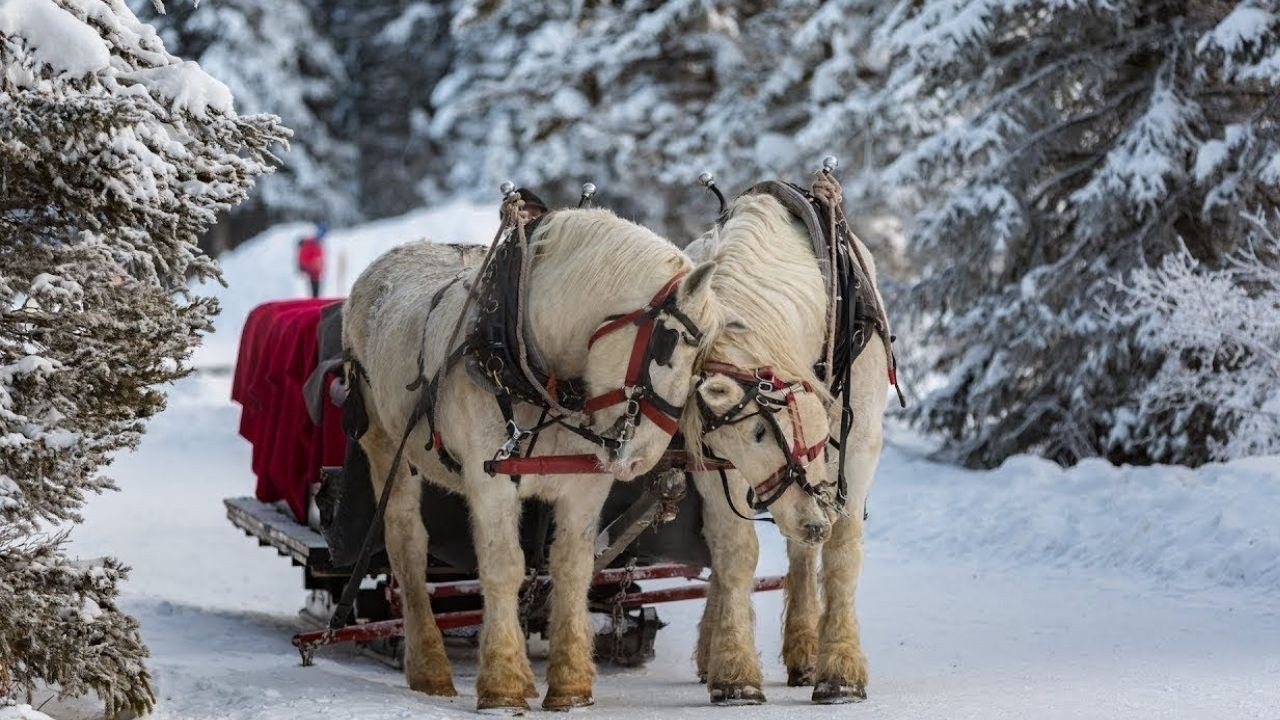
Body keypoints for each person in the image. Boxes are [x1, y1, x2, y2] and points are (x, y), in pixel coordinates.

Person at [297, 222, 327, 298]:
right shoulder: (310, 243)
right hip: (311, 273)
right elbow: (304, 257)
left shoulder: (318, 244)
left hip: (317, 273)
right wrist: (310, 266)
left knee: (316, 293)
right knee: (313, 293)